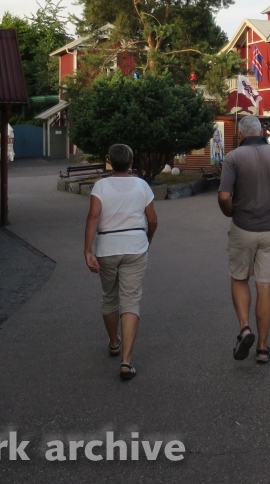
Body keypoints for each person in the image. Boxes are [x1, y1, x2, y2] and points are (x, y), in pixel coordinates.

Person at [218, 115, 270, 365]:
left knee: (240, 278)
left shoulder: (233, 158)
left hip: (243, 227)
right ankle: (262, 349)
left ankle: (245, 329)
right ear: (261, 131)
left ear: (241, 134)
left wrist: (231, 211)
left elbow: (223, 196)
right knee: (265, 285)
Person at [83, 144, 158, 381]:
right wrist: (148, 238)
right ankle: (126, 360)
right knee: (131, 299)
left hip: (107, 247)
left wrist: (87, 250)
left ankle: (114, 342)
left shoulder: (100, 186)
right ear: (131, 161)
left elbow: (94, 216)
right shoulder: (142, 185)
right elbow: (153, 219)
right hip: (135, 245)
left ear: (109, 161)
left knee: (109, 296)